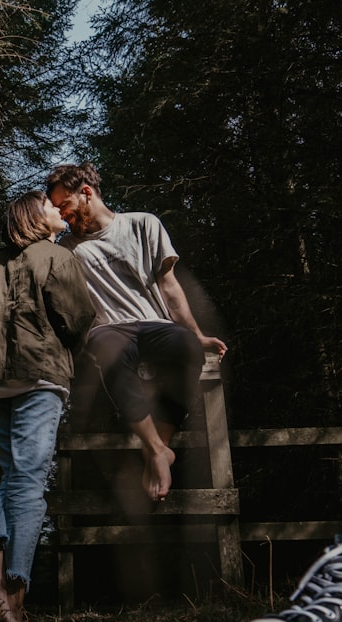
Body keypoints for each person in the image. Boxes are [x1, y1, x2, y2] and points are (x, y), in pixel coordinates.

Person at [0, 190, 96, 622]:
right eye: (52, 207)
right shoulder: (55, 255)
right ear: (37, 217)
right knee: (30, 482)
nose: (59, 210)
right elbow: (77, 317)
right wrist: (65, 347)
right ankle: (16, 595)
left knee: (11, 476)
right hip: (37, 374)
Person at [45, 162, 228, 503]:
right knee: (107, 347)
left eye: (64, 206)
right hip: (109, 329)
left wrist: (197, 334)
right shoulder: (66, 248)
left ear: (86, 193)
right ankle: (158, 451)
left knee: (188, 348)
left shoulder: (143, 223)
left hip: (154, 324)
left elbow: (169, 286)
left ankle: (157, 448)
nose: (62, 215)